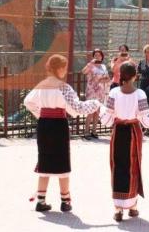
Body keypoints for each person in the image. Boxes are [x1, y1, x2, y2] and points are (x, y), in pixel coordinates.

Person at [24, 54, 102, 212]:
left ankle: (40, 200)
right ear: (59, 68)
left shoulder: (42, 85)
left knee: (44, 160)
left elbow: (28, 101)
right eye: (65, 68)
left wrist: (41, 114)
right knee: (62, 161)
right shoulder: (63, 87)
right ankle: (65, 201)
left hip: (44, 125)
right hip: (59, 125)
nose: (66, 71)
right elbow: (77, 108)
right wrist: (96, 103)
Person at [100, 62, 149, 222]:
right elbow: (145, 119)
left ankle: (118, 208)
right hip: (133, 131)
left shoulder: (114, 92)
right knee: (133, 165)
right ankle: (133, 205)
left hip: (118, 131)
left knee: (117, 165)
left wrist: (99, 109)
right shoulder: (140, 94)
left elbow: (107, 118)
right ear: (135, 75)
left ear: (121, 74)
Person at [81, 49, 110, 139]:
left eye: (99, 55)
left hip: (100, 91)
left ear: (102, 57)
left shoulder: (103, 67)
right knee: (90, 111)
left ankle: (94, 130)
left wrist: (102, 80)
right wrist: (90, 63)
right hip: (91, 90)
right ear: (93, 56)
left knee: (97, 111)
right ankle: (86, 131)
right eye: (95, 55)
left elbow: (108, 78)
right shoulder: (90, 65)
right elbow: (83, 72)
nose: (97, 57)